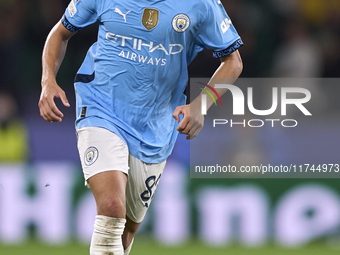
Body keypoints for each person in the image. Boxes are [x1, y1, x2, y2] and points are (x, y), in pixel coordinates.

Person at [38, 0, 243, 254]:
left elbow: (233, 61)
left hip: (155, 124)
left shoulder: (201, 4)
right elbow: (60, 33)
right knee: (112, 207)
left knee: (125, 232)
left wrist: (202, 104)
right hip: (101, 107)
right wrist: (48, 79)